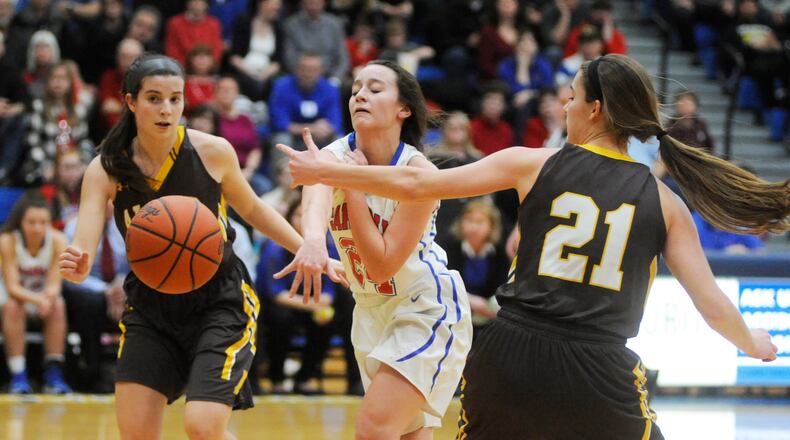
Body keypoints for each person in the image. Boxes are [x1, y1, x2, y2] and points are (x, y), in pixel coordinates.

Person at [277, 53, 787, 439]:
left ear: (595, 108)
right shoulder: (665, 203)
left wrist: (326, 170)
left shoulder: (534, 162)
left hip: (510, 354)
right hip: (597, 364)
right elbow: (714, 306)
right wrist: (752, 343)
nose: (564, 105)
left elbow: (417, 186)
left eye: (571, 96)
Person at [57, 54, 344, 440]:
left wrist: (309, 249)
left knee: (203, 427)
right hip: (150, 306)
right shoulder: (106, 168)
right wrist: (77, 263)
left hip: (219, 302)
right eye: (154, 98)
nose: (166, 109)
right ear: (129, 102)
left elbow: (254, 210)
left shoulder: (212, 151)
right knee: (136, 433)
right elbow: (84, 242)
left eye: (175, 99)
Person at [277, 59, 472, 439]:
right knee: (407, 435)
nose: (360, 95)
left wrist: (350, 186)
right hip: (370, 312)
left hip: (425, 308)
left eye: (375, 89)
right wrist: (314, 240)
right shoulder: (333, 154)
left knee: (373, 428)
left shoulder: (419, 175)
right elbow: (315, 192)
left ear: (404, 109)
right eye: (355, 90)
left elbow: (381, 264)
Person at [0, 189, 71, 394]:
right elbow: (13, 287)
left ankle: (54, 374)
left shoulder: (58, 239)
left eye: (43, 222)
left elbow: (54, 284)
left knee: (58, 304)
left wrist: (46, 299)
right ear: (20, 221)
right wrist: (40, 300)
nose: (38, 228)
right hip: (14, 299)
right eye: (31, 222)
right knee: (14, 307)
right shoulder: (8, 240)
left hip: (43, 299)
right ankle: (18, 375)